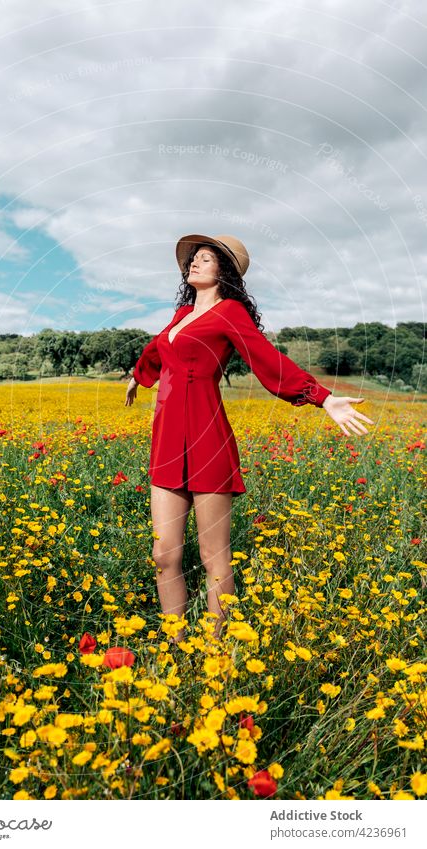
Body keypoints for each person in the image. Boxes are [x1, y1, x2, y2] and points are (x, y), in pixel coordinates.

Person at [125, 233, 374, 642]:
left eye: (206, 259)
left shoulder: (230, 312)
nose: (195, 263)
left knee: (212, 557)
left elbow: (266, 359)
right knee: (163, 555)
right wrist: (138, 376)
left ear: (224, 271)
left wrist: (321, 397)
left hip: (207, 439)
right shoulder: (181, 314)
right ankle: (175, 646)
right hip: (167, 441)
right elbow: (157, 350)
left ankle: (214, 651)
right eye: (194, 259)